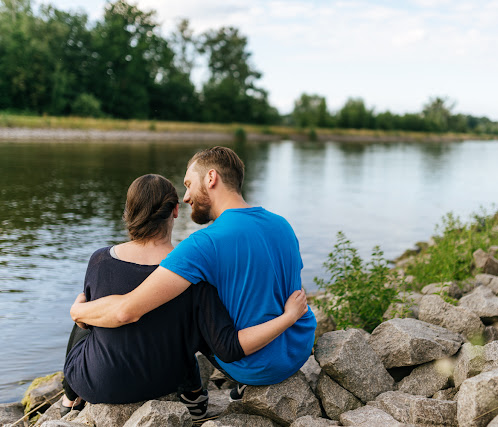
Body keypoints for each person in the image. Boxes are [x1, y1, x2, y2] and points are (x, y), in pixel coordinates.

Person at [70, 146, 316, 395]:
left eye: (188, 184)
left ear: (211, 178)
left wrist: (79, 311)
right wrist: (288, 317)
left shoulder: (203, 243)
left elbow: (126, 310)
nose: (186, 197)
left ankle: (194, 390)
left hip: (256, 365)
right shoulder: (281, 224)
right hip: (299, 348)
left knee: (191, 300)